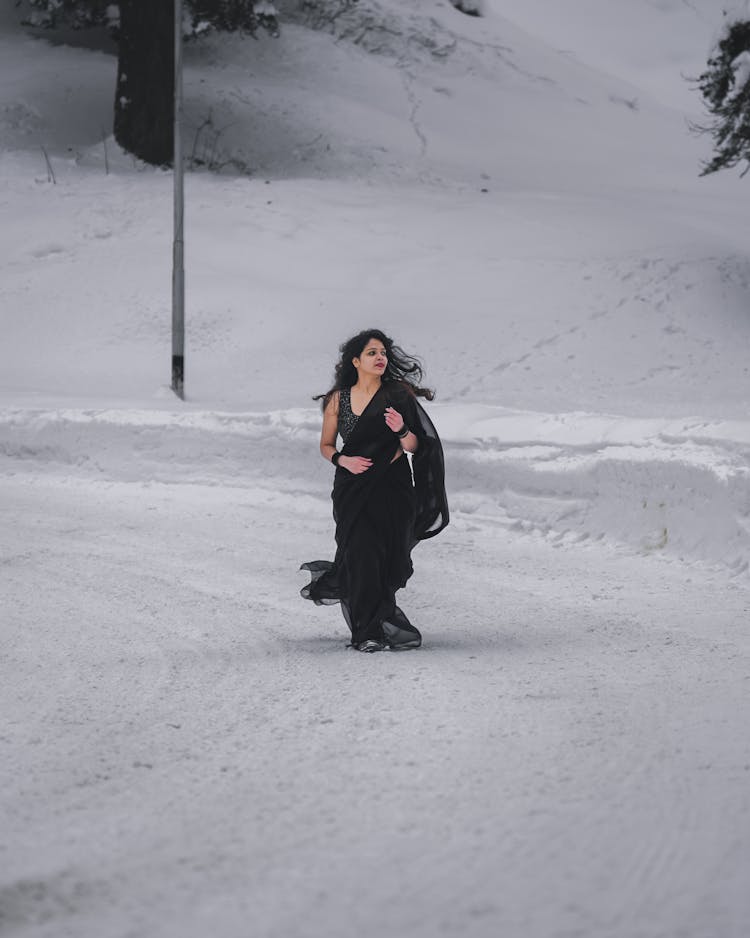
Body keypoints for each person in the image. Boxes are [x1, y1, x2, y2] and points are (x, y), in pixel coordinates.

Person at [300, 329, 449, 653]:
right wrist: (344, 460)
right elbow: (326, 446)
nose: (380, 357)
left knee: (387, 558)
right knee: (360, 554)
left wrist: (401, 429)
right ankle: (366, 633)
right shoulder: (338, 400)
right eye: (371, 353)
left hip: (393, 487)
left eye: (382, 352)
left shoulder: (398, 396)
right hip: (353, 488)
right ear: (356, 361)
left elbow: (414, 446)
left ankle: (379, 623)